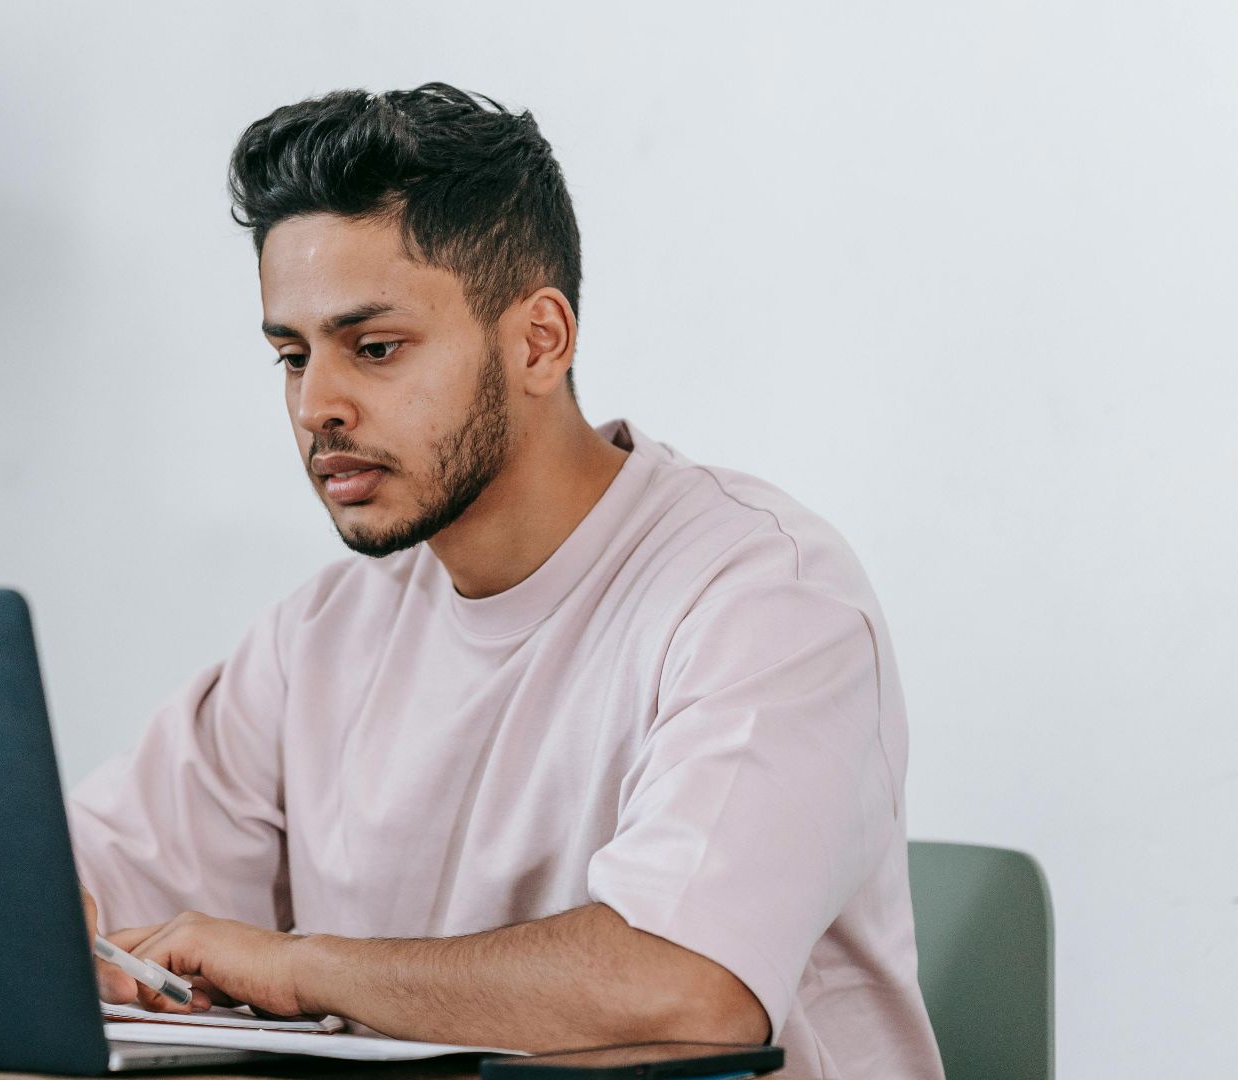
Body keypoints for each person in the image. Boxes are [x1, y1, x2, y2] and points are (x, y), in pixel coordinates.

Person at [68, 83, 945, 1080]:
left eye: (376, 348)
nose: (317, 406)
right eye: (290, 356)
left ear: (539, 340)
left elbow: (691, 993)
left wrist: (299, 967)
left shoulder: (766, 599)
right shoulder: (319, 636)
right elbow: (79, 879)